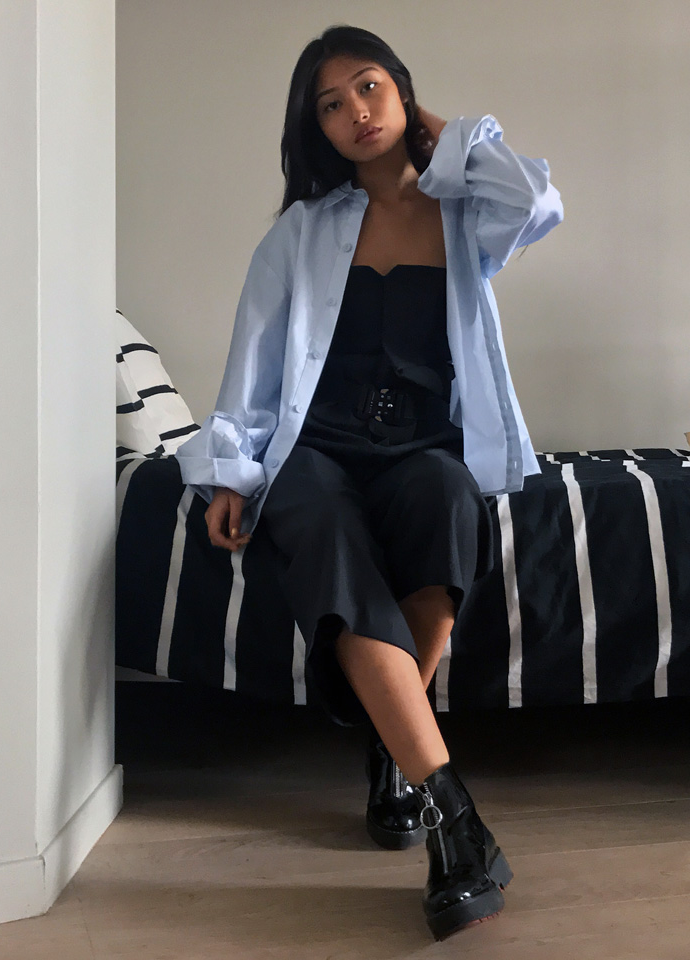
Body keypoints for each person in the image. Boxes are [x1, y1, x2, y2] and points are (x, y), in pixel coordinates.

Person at [175, 23, 563, 940]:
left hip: (422, 443)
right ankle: (453, 813)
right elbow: (254, 363)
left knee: (447, 500)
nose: (354, 110)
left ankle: (395, 754)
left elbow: (538, 199)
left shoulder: (463, 213)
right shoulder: (301, 233)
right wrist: (232, 470)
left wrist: (439, 132)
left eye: (370, 87)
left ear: (401, 90)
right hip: (318, 448)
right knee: (317, 521)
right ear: (313, 129)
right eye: (330, 103)